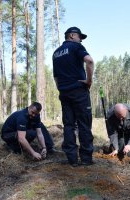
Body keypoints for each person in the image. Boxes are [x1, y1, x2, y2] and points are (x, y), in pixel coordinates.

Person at [52, 26, 94, 167]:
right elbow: (89, 61)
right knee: (84, 124)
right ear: (71, 36)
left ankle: (72, 159)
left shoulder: (56, 53)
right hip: (78, 91)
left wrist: (62, 89)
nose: (80, 40)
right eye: (79, 36)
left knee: (69, 126)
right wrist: (89, 81)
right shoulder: (75, 47)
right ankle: (86, 159)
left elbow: (56, 77)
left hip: (64, 93)